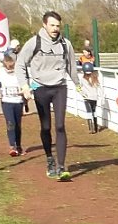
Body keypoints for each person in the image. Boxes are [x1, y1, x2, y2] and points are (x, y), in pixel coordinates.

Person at [16, 10, 83, 181]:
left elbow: (71, 66)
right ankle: (49, 159)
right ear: (44, 25)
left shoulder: (66, 44)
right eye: (52, 25)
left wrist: (78, 85)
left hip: (60, 87)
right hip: (41, 88)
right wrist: (25, 85)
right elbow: (20, 64)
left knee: (60, 126)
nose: (55, 29)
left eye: (57, 26)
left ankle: (61, 167)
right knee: (46, 127)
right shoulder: (34, 42)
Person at [0, 54, 26, 156]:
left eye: (11, 66)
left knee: (17, 124)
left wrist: (24, 92)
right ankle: (12, 147)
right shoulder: (1, 73)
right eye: (8, 66)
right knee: (10, 123)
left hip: (18, 101)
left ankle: (19, 146)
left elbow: (25, 85)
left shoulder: (19, 73)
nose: (10, 68)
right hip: (7, 102)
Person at [79, 63, 104, 133]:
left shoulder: (83, 79)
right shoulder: (95, 78)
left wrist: (82, 94)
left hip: (87, 98)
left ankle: (91, 128)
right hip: (94, 97)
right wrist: (101, 97)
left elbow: (79, 88)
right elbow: (100, 88)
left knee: (89, 112)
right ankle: (95, 128)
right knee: (94, 111)